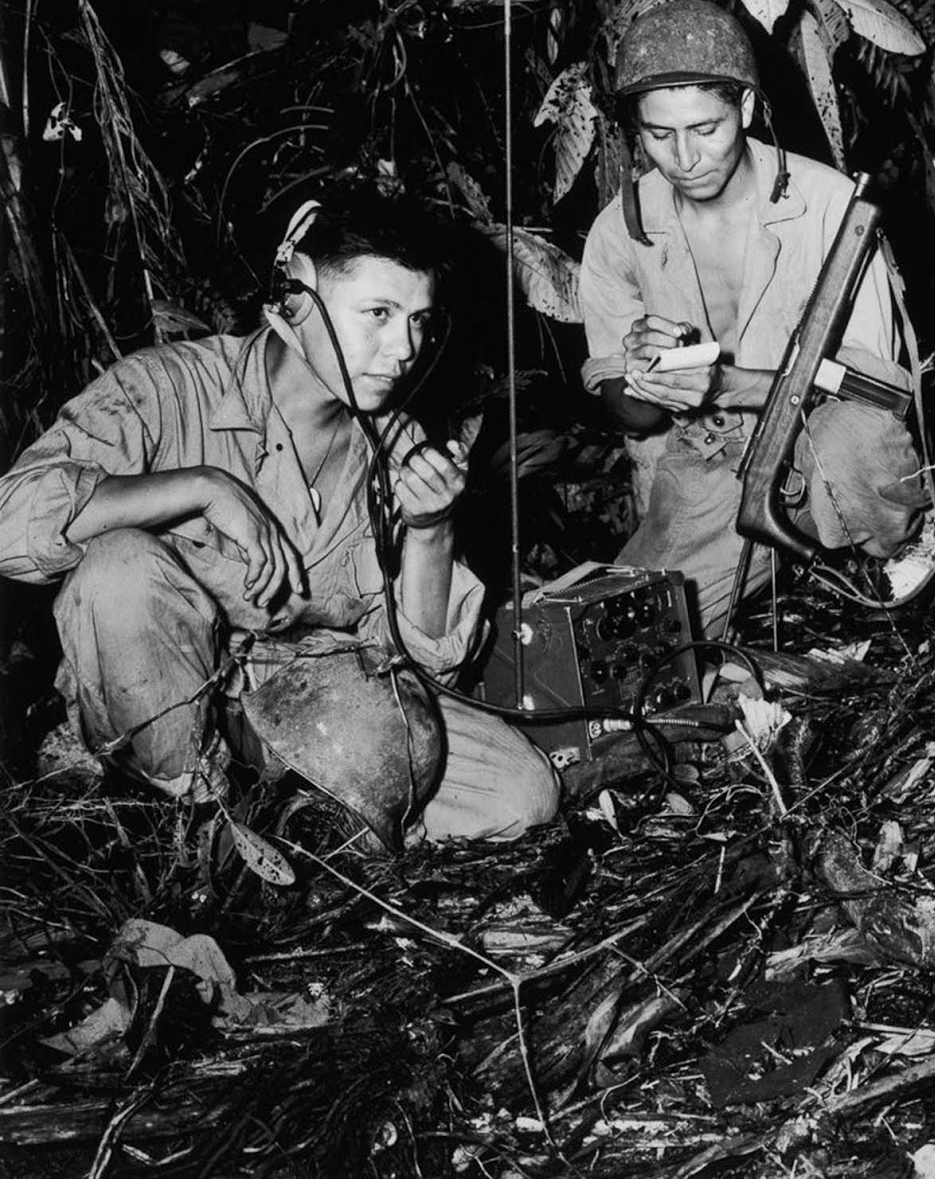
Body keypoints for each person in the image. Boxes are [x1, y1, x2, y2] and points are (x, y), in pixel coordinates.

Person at [0, 189, 559, 847]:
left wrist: (433, 530)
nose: (404, 347)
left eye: (419, 320)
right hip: (166, 694)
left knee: (522, 792)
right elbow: (13, 522)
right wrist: (204, 487)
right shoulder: (168, 389)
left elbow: (422, 667)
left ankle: (301, 822)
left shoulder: (399, 449)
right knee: (117, 564)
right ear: (297, 297)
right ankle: (192, 821)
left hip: (316, 700)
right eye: (378, 313)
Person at [579, 0, 935, 639]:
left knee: (857, 445)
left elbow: (880, 391)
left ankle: (889, 546)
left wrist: (724, 382)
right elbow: (626, 411)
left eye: (705, 128)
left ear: (744, 109)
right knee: (618, 637)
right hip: (708, 457)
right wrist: (643, 380)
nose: (684, 157)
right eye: (660, 135)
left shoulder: (829, 206)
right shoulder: (621, 231)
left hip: (818, 440)